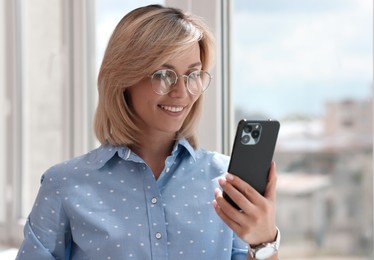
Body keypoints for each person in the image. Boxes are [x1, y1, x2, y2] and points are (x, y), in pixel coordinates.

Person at [16, 4, 279, 260]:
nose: (181, 92)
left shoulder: (226, 182)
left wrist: (263, 242)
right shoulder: (64, 184)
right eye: (163, 74)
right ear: (124, 78)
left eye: (193, 74)